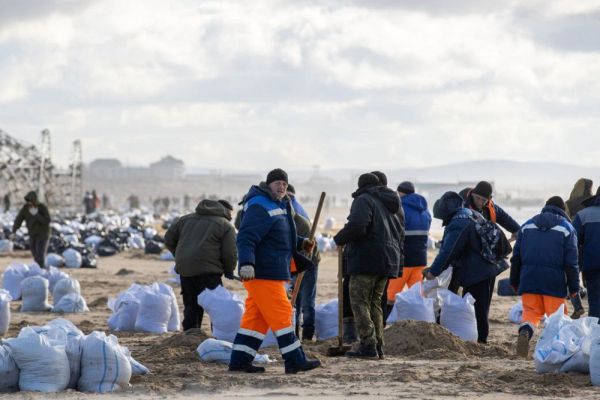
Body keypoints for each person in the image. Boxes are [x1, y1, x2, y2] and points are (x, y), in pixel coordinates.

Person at [229, 168, 320, 374]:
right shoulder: (259, 206)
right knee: (282, 314)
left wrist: (302, 243)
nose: (282, 186)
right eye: (278, 183)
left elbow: (279, 237)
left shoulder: (279, 205)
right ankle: (295, 360)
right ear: (268, 184)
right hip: (263, 272)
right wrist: (246, 263)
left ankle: (240, 361)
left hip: (274, 270)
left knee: (255, 320)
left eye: (285, 184)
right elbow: (246, 237)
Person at [427, 191, 511, 344]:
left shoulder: (458, 223)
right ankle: (478, 338)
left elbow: (449, 251)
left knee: (477, 307)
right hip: (487, 266)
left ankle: (480, 341)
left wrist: (433, 271)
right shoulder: (470, 214)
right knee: (479, 306)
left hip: (478, 271)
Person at [334, 173, 402, 359]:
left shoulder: (364, 199)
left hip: (367, 259)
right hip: (388, 260)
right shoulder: (392, 204)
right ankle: (378, 345)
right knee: (375, 303)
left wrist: (339, 238)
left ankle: (368, 345)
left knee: (359, 301)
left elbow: (357, 226)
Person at [510, 196, 579, 357]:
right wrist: (574, 287)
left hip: (529, 279)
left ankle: (525, 331)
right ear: (563, 210)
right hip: (554, 283)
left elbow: (516, 257)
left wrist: (514, 280)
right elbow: (571, 263)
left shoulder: (527, 226)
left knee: (531, 313)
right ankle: (556, 352)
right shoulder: (567, 228)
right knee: (558, 319)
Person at [164, 198, 237, 331]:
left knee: (191, 304)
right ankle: (218, 335)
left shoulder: (184, 219)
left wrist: (181, 256)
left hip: (186, 269)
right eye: (230, 213)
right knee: (216, 306)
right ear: (224, 210)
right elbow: (229, 253)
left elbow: (168, 239)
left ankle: (190, 336)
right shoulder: (225, 225)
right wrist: (229, 270)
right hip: (209, 272)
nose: (231, 216)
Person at [386, 181, 431, 316]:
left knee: (390, 296)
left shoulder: (399, 208)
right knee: (418, 296)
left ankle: (385, 326)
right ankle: (420, 323)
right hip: (420, 260)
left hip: (402, 261)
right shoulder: (425, 211)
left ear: (399, 192)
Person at [287, 184, 320, 342]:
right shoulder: (290, 209)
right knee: (295, 298)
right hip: (295, 261)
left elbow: (303, 244)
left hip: (307, 261)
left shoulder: (294, 213)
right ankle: (295, 333)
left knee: (306, 299)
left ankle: (307, 334)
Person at [573, 187, 600, 319]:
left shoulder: (583, 214)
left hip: (591, 265)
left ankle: (596, 334)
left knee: (594, 301)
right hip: (591, 265)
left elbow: (573, 243)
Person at [12, 191, 51, 268]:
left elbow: (47, 221)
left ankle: (40, 271)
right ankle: (41, 268)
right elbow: (19, 219)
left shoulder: (42, 208)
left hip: (43, 234)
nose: (29, 203)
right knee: (34, 252)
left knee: (39, 255)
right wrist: (14, 230)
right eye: (28, 201)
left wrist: (37, 215)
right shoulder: (26, 208)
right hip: (32, 234)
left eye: (31, 201)